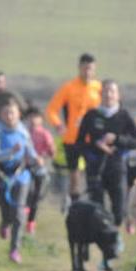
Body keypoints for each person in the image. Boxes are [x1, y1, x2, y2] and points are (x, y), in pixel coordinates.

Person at [77, 79, 136, 228]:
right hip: (95, 167)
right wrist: (95, 145)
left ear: (118, 95)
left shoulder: (124, 116)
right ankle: (102, 242)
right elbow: (79, 143)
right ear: (100, 94)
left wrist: (117, 139)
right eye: (105, 91)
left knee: (119, 212)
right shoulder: (91, 115)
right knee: (96, 210)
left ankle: (114, 234)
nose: (109, 94)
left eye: (112, 91)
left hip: (117, 166)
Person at [0, 99, 38, 264]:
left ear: (18, 115)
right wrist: (10, 152)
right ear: (1, 115)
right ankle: (4, 223)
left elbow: (30, 150)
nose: (9, 116)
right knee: (7, 211)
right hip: (1, 174)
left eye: (12, 113)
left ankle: (15, 249)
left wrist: (36, 159)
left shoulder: (23, 131)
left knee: (18, 212)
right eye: (6, 113)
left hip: (21, 174)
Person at [44, 53, 101, 201]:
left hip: (92, 140)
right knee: (74, 176)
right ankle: (74, 205)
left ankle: (92, 204)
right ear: (79, 68)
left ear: (94, 70)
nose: (87, 72)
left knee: (93, 174)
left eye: (90, 69)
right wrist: (58, 126)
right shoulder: (68, 88)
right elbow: (51, 110)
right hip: (72, 139)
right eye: (85, 68)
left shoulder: (99, 88)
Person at [22, 108, 55, 235]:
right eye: (31, 117)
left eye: (36, 117)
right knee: (27, 191)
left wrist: (47, 153)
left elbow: (51, 152)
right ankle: (24, 211)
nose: (33, 120)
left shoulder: (45, 134)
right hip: (25, 167)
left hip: (40, 169)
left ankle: (31, 222)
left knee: (36, 196)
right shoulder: (23, 132)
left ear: (41, 119)